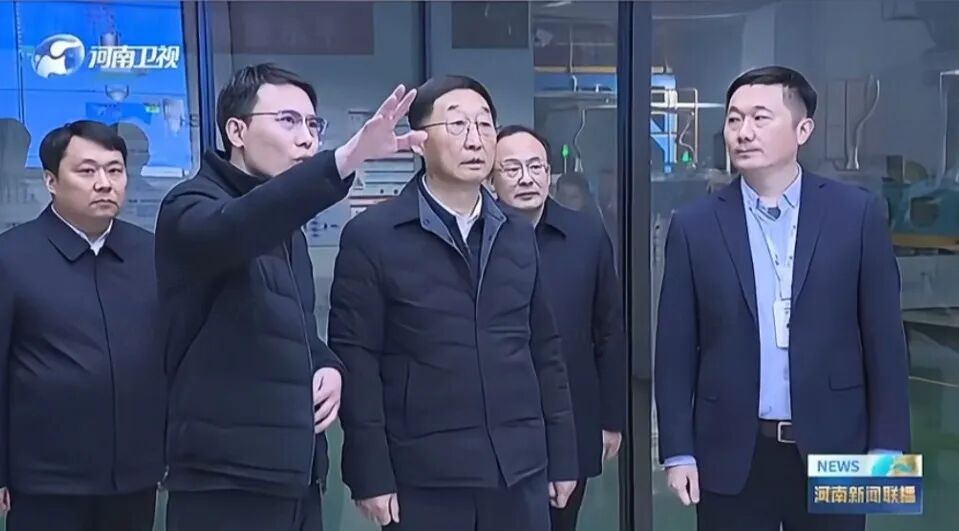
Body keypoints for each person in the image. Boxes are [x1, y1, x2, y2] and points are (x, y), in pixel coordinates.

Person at [155, 63, 425, 531]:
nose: (306, 138)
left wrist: (326, 364)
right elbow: (237, 227)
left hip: (295, 472)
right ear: (236, 131)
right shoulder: (190, 206)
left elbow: (286, 321)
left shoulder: (287, 228)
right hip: (224, 479)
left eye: (313, 124)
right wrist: (346, 158)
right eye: (288, 121)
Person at [655, 65, 911, 531]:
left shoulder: (856, 214)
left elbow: (885, 340)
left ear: (803, 130)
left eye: (759, 118)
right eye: (734, 119)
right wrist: (678, 453)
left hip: (838, 447)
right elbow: (674, 350)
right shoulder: (694, 226)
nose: (743, 132)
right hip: (730, 452)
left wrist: (888, 450)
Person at [329, 75, 578, 531]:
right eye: (458, 124)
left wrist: (562, 453)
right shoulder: (374, 236)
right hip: (425, 473)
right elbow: (357, 359)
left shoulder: (517, 232)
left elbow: (545, 349)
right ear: (420, 140)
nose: (475, 139)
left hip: (518, 468)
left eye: (484, 125)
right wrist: (369, 471)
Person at [0, 120, 163, 531]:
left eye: (115, 170)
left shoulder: (152, 254)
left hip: (135, 478)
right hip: (46, 482)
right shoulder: (12, 257)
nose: (104, 183)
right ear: (51, 181)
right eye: (87, 171)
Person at [491, 125, 627, 531]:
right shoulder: (476, 238)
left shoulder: (586, 236)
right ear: (490, 179)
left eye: (536, 167)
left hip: (571, 417)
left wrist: (611, 419)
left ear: (550, 173)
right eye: (512, 168)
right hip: (493, 425)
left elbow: (608, 331)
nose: (526, 178)